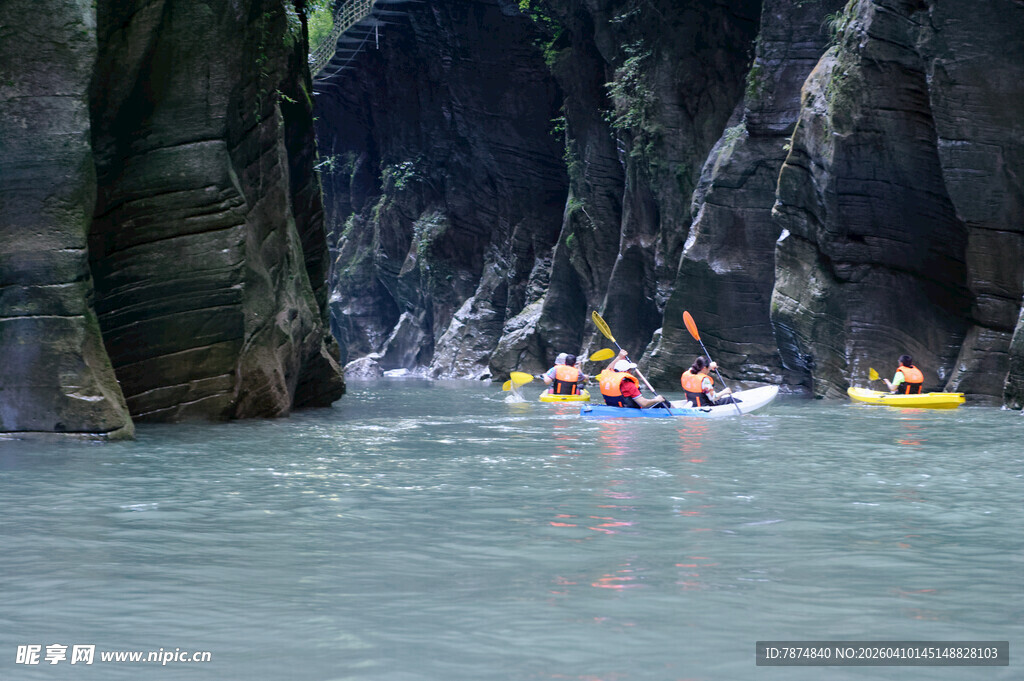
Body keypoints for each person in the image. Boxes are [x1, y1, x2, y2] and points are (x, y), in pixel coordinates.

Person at [598, 349, 666, 408]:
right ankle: (675, 411)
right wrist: (657, 400)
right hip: (628, 409)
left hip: (614, 406)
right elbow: (643, 404)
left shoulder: (608, 379)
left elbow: (608, 369)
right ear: (627, 371)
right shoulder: (629, 385)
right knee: (663, 403)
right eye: (630, 369)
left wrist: (619, 357)